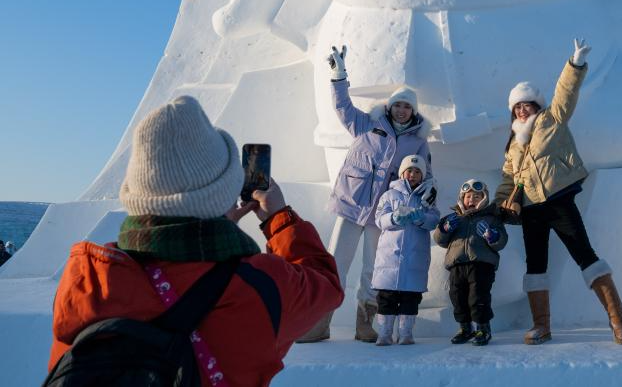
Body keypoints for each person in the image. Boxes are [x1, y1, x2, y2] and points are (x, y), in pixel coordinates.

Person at [47, 95, 343, 385]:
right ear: (222, 193)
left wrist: (213, 225)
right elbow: (325, 286)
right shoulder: (260, 287)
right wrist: (277, 217)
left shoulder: (86, 281)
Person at [495, 38, 622, 345]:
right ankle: (541, 326)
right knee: (536, 266)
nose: (521, 110)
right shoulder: (514, 142)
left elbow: (565, 94)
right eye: (516, 106)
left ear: (536, 105)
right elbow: (508, 177)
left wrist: (575, 63)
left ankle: (617, 320)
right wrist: (498, 205)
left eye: (525, 104)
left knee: (586, 255)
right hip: (530, 209)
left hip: (558, 201)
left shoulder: (551, 119)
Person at [305, 44, 432, 343]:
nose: (402, 110)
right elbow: (342, 107)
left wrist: (428, 190)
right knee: (336, 262)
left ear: (413, 112)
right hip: (352, 203)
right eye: (398, 105)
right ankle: (321, 323)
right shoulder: (367, 125)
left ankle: (365, 323)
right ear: (390, 107)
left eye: (407, 106)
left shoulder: (417, 142)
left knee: (374, 269)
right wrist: (339, 76)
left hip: (383, 214)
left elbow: (425, 173)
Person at [371, 154, 440, 345]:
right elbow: (379, 219)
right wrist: (394, 218)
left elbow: (434, 219)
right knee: (386, 298)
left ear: (422, 175)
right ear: (402, 173)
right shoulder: (389, 195)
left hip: (414, 261)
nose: (413, 174)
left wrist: (421, 219)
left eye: (417, 171)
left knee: (410, 298)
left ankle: (406, 333)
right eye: (409, 170)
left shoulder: (427, 197)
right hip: (389, 260)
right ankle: (384, 333)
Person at [434, 178, 508, 346]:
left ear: (484, 198)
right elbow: (440, 240)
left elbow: (502, 241)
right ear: (462, 198)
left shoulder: (492, 218)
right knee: (457, 297)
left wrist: (492, 236)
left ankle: (483, 328)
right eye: (468, 197)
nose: (471, 200)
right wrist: (444, 229)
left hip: (481, 264)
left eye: (476, 197)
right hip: (457, 265)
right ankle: (465, 328)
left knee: (478, 297)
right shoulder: (454, 218)